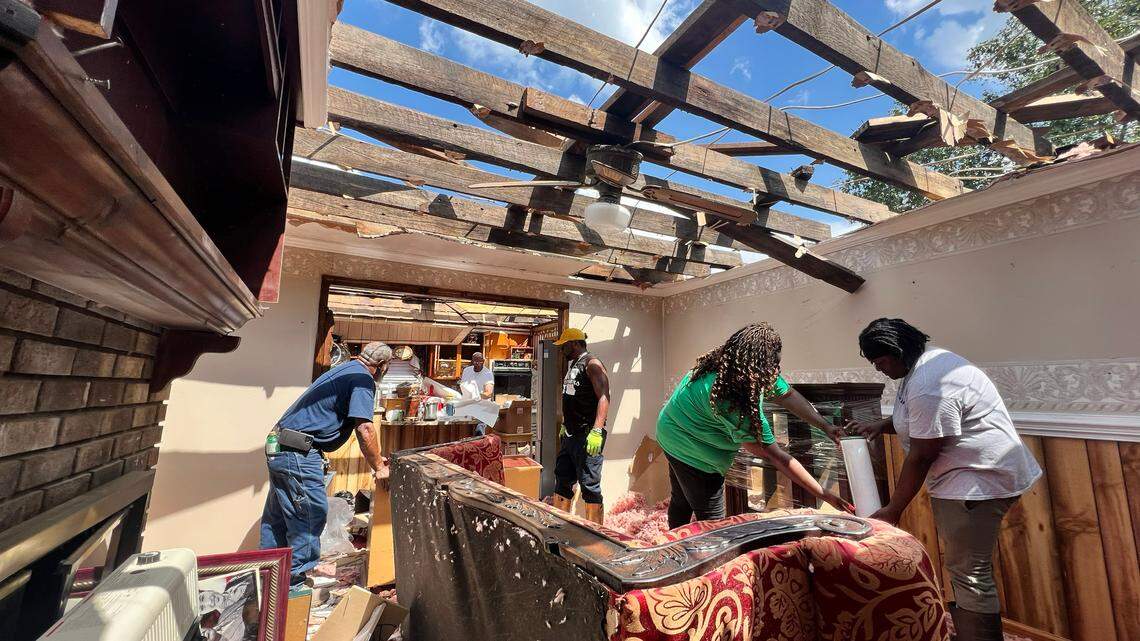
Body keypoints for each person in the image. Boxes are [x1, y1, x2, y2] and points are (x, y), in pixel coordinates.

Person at [847, 318, 1041, 641]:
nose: (880, 370)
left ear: (896, 351)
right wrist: (882, 426)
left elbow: (923, 453)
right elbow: (919, 420)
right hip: (974, 478)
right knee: (964, 568)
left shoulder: (929, 382)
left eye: (880, 362)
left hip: (979, 482)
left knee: (970, 573)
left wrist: (894, 508)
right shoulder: (922, 366)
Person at [656, 323, 853, 529]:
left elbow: (787, 395)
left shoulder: (743, 369)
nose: (777, 370)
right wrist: (824, 494)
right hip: (693, 450)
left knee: (682, 499)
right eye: (773, 365)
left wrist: (825, 426)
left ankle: (672, 546)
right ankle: (700, 557)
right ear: (757, 364)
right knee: (713, 522)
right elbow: (773, 454)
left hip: (670, 430)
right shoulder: (732, 396)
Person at [260, 341, 394, 590]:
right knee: (310, 515)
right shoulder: (363, 379)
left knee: (278, 519)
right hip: (298, 452)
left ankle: (267, 582)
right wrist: (379, 466)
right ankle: (292, 589)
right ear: (382, 366)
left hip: (280, 446)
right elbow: (365, 428)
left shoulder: (345, 369)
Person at [551, 328, 609, 524]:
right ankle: (560, 525)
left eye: (564, 346)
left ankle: (597, 535)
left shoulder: (592, 364)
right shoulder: (573, 364)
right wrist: (565, 424)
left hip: (586, 437)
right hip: (570, 436)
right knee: (563, 478)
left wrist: (597, 430)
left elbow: (604, 397)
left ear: (574, 343)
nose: (562, 350)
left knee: (589, 485)